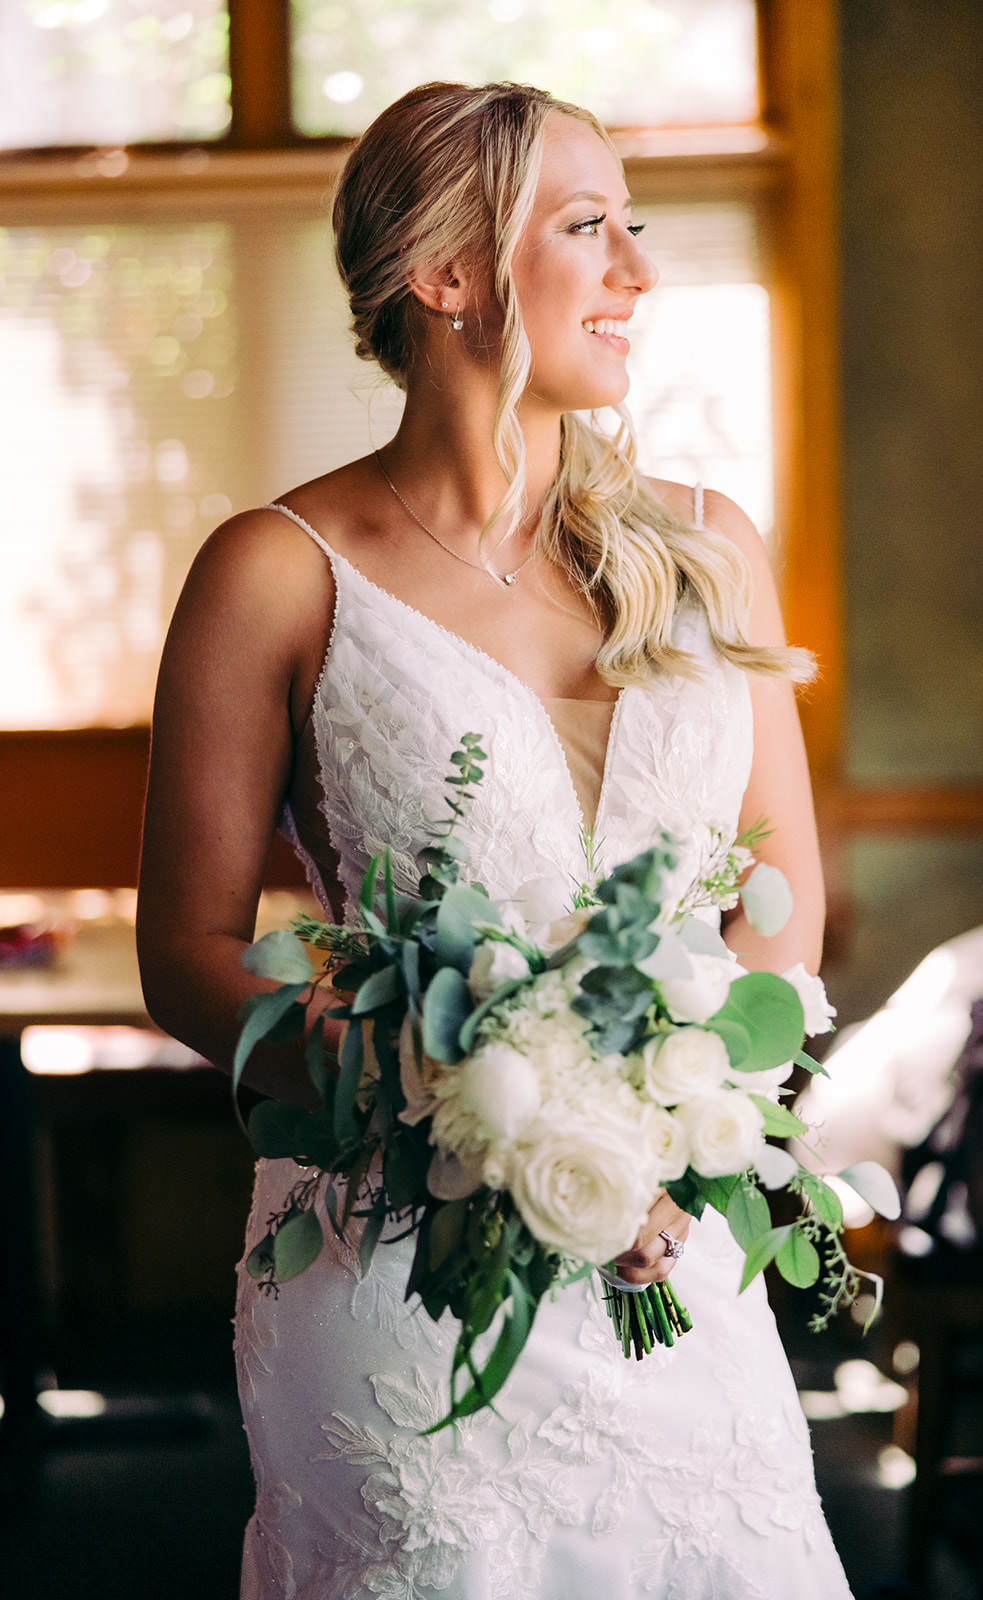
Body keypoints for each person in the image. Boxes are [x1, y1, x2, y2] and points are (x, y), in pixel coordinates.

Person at [137, 80, 852, 1600]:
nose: (639, 275)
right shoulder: (277, 572)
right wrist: (457, 1103)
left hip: (673, 1241)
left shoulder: (708, 549)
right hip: (396, 1267)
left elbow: (780, 913)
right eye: (590, 231)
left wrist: (656, 1132)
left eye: (633, 230)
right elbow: (188, 954)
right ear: (447, 275)